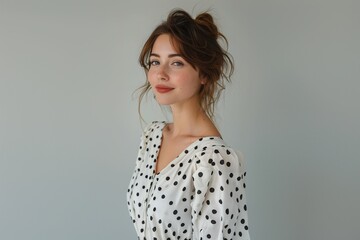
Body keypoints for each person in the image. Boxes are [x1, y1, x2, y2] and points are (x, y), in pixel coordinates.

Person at [127, 9, 250, 240]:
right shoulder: (152, 137)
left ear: (203, 74)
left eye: (176, 63)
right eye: (155, 62)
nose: (160, 73)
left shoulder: (214, 160)